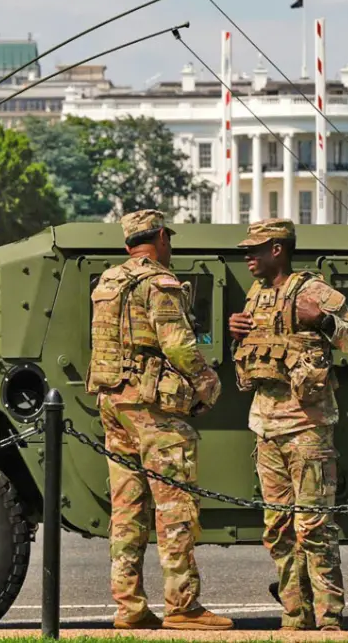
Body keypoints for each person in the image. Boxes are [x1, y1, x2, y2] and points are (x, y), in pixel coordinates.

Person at [85, 209, 230, 631]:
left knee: (127, 509)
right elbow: (179, 345)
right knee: (175, 507)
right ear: (162, 237)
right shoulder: (158, 282)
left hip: (113, 403)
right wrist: (208, 386)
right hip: (153, 409)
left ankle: (129, 607)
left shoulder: (108, 283)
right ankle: (183, 606)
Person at [228, 218, 348, 631]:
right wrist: (237, 333)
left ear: (278, 249)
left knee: (314, 528)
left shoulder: (314, 291)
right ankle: (294, 617)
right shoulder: (256, 295)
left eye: (255, 250)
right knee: (278, 529)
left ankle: (328, 620)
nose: (248, 258)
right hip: (265, 428)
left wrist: (324, 321)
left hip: (307, 428)